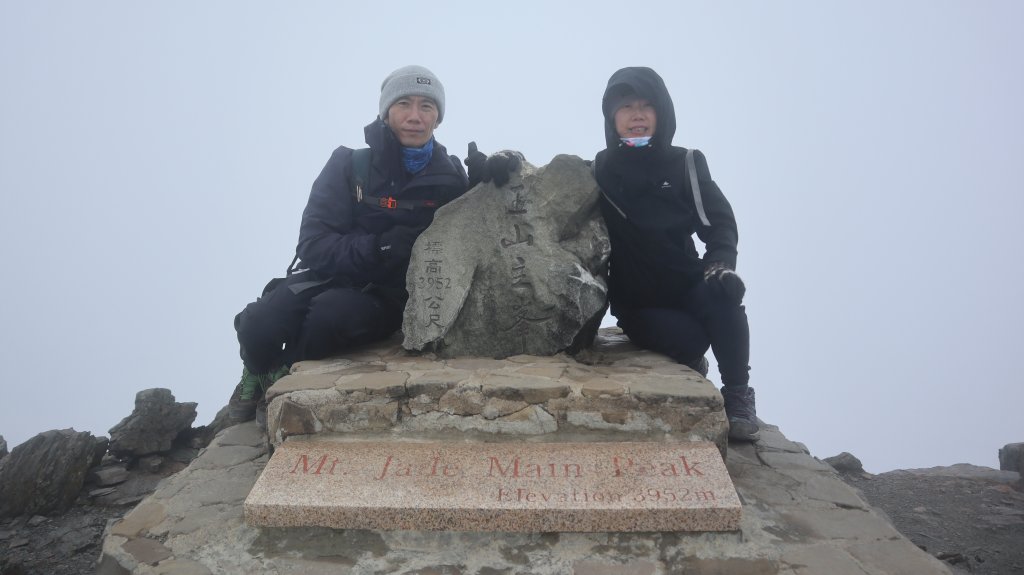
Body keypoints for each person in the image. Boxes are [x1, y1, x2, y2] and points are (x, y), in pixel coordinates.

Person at [229, 65, 512, 423]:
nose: (414, 116)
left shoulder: (451, 177)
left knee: (327, 319)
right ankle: (255, 371)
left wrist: (494, 175)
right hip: (326, 273)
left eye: (427, 106)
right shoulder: (349, 164)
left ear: (438, 118)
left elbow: (475, 224)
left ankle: (282, 377)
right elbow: (313, 243)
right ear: (385, 112)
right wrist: (379, 247)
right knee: (259, 324)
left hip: (385, 295)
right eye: (404, 104)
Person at [593, 67, 758, 441]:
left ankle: (737, 395)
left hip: (687, 284)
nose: (637, 114)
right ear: (611, 117)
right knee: (692, 342)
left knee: (724, 299)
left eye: (647, 105)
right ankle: (693, 363)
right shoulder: (599, 170)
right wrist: (500, 167)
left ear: (662, 112)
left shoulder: (685, 163)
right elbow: (549, 185)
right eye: (626, 106)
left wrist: (720, 266)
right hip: (637, 303)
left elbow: (719, 223)